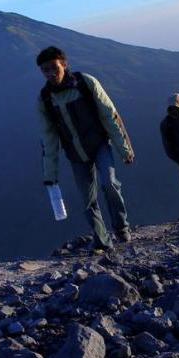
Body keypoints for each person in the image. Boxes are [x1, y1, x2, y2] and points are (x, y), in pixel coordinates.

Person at [36, 46, 135, 251]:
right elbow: (49, 138)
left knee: (109, 183)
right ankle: (102, 241)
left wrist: (124, 149)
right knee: (87, 200)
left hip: (99, 145)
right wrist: (50, 175)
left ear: (64, 64)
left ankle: (121, 227)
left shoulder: (86, 83)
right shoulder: (45, 99)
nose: (50, 73)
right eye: (45, 70)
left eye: (54, 67)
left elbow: (110, 115)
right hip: (75, 154)